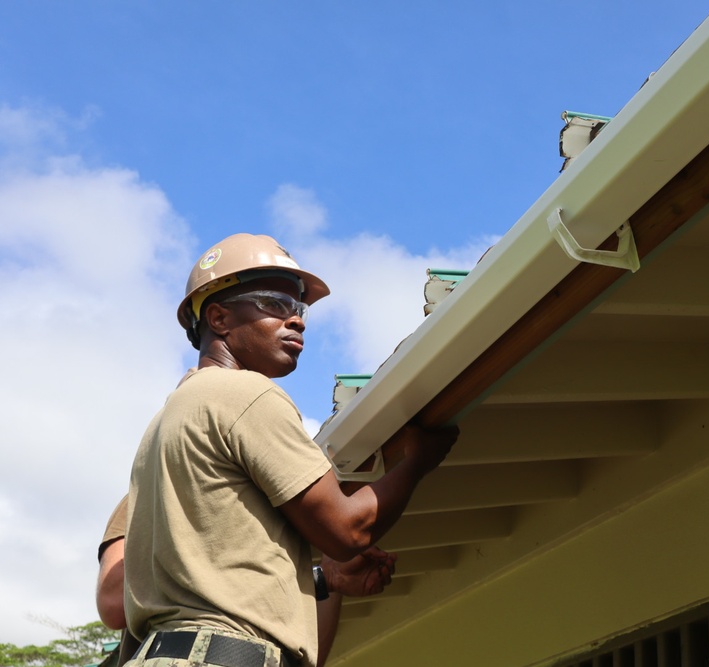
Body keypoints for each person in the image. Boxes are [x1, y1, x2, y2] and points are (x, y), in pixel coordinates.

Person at [122, 233, 457, 667]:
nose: (297, 321)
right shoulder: (244, 395)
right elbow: (346, 531)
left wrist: (323, 579)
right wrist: (416, 463)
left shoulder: (168, 419)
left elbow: (209, 577)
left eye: (297, 310)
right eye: (274, 305)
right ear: (219, 318)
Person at [97, 496, 394, 667]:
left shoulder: (280, 505)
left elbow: (301, 658)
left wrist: (326, 580)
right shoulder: (157, 490)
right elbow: (113, 603)